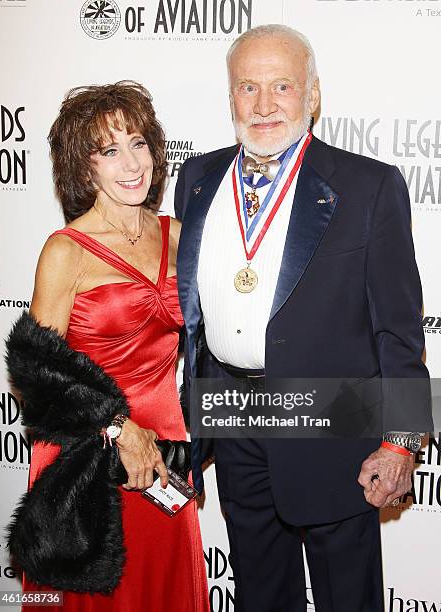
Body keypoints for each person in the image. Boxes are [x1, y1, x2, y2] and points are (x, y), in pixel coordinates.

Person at [174, 25, 433, 612]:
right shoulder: (196, 180)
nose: (264, 106)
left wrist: (400, 441)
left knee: (348, 596)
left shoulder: (369, 186)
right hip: (235, 420)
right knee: (260, 593)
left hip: (336, 427)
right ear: (230, 97)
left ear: (312, 96)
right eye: (247, 88)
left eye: (282, 86)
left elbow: (399, 329)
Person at [14, 81, 210, 611]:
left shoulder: (176, 235)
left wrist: (201, 443)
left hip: (165, 445)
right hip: (89, 452)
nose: (131, 163)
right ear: (85, 168)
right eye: (109, 149)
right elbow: (36, 377)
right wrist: (118, 430)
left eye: (139, 143)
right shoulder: (65, 251)